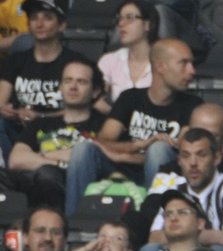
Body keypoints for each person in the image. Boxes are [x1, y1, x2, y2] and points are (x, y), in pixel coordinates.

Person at [66, 39, 201, 216]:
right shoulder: (130, 98)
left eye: (192, 64)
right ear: (160, 67)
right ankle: (74, 222)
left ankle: (153, 222)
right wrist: (139, 146)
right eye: (184, 63)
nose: (192, 71)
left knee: (158, 149)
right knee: (83, 149)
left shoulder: (193, 106)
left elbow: (183, 154)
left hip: (161, 173)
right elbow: (103, 141)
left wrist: (125, 155)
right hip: (122, 168)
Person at [0, 58, 107, 210]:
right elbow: (16, 160)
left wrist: (44, 155)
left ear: (95, 91)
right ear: (60, 87)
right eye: (67, 81)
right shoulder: (42, 122)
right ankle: (10, 227)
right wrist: (60, 161)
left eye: (81, 82)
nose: (73, 87)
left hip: (68, 185)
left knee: (47, 174)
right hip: (33, 179)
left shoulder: (104, 125)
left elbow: (91, 159)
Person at [0, 0, 88, 159]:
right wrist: (6, 110)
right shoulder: (16, 60)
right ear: (28, 25)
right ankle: (9, 169)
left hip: (58, 132)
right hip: (19, 130)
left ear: (62, 25)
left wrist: (41, 117)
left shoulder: (75, 63)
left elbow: (81, 111)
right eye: (34, 18)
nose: (39, 24)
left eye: (47, 18)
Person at [97, 0, 157, 104]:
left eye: (130, 18)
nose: (121, 23)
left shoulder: (163, 60)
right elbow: (97, 98)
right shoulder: (110, 60)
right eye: (119, 18)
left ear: (147, 24)